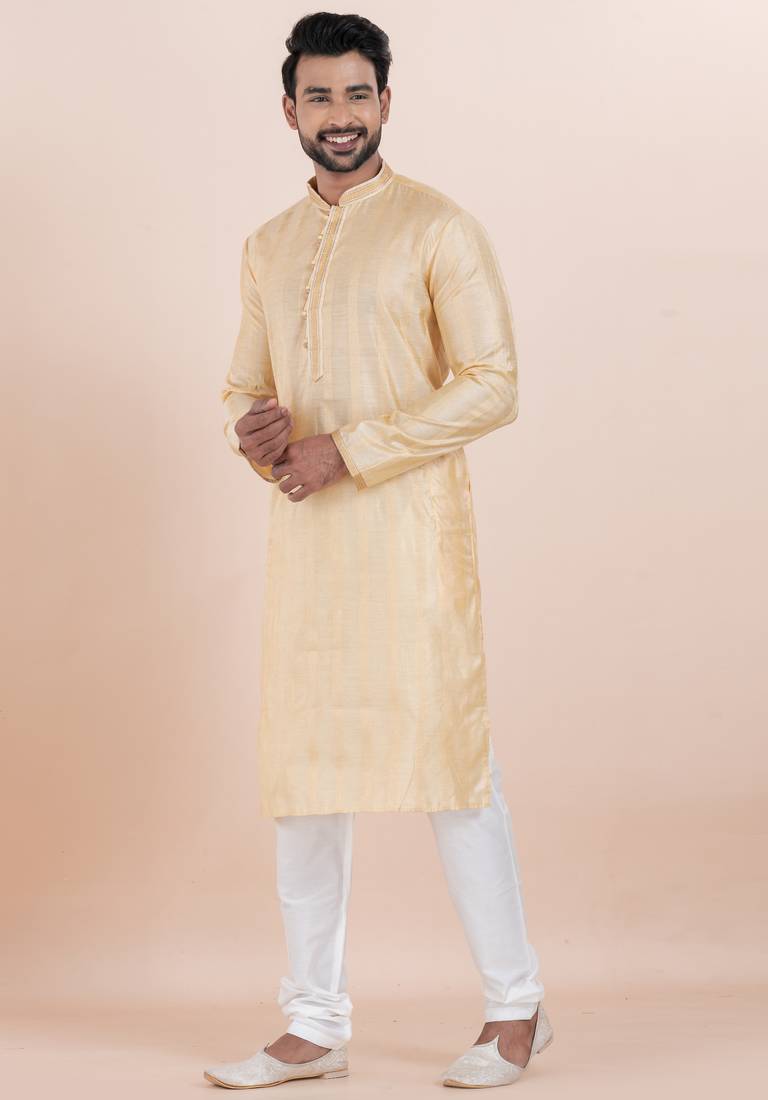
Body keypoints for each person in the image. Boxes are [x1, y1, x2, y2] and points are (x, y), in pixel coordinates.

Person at [204, 11, 554, 1090]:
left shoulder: (440, 228)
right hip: (309, 550)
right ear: (290, 110)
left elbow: (493, 383)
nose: (341, 114)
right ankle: (313, 1020)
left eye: (358, 93)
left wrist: (349, 449)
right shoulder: (268, 245)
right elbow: (242, 384)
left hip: (410, 542)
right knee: (305, 782)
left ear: (386, 102)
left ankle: (516, 1007)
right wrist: (254, 434)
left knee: (453, 765)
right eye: (320, 96)